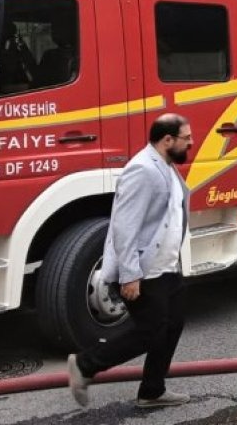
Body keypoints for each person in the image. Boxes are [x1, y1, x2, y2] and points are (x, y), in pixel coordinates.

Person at [67, 114, 194, 409]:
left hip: (166, 267)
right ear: (167, 140)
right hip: (144, 269)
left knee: (173, 324)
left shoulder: (166, 166)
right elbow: (125, 226)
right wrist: (130, 275)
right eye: (186, 138)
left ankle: (152, 391)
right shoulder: (141, 169)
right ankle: (84, 366)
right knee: (149, 331)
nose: (191, 142)